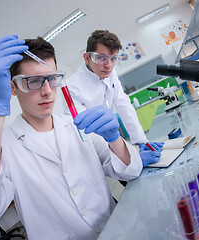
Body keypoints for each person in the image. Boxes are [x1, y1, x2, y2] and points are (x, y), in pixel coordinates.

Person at [0, 35, 144, 240]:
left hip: (117, 232)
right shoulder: (3, 146)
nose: (47, 91)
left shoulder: (77, 125)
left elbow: (132, 171)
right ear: (13, 87)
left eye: (52, 79)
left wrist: (115, 139)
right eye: (34, 81)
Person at [65, 30, 163, 167]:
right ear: (87, 58)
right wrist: (127, 157)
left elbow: (123, 104)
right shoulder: (71, 88)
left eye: (113, 58)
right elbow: (85, 133)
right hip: (92, 150)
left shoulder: (110, 73)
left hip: (113, 139)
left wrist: (142, 141)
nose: (109, 65)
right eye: (101, 58)